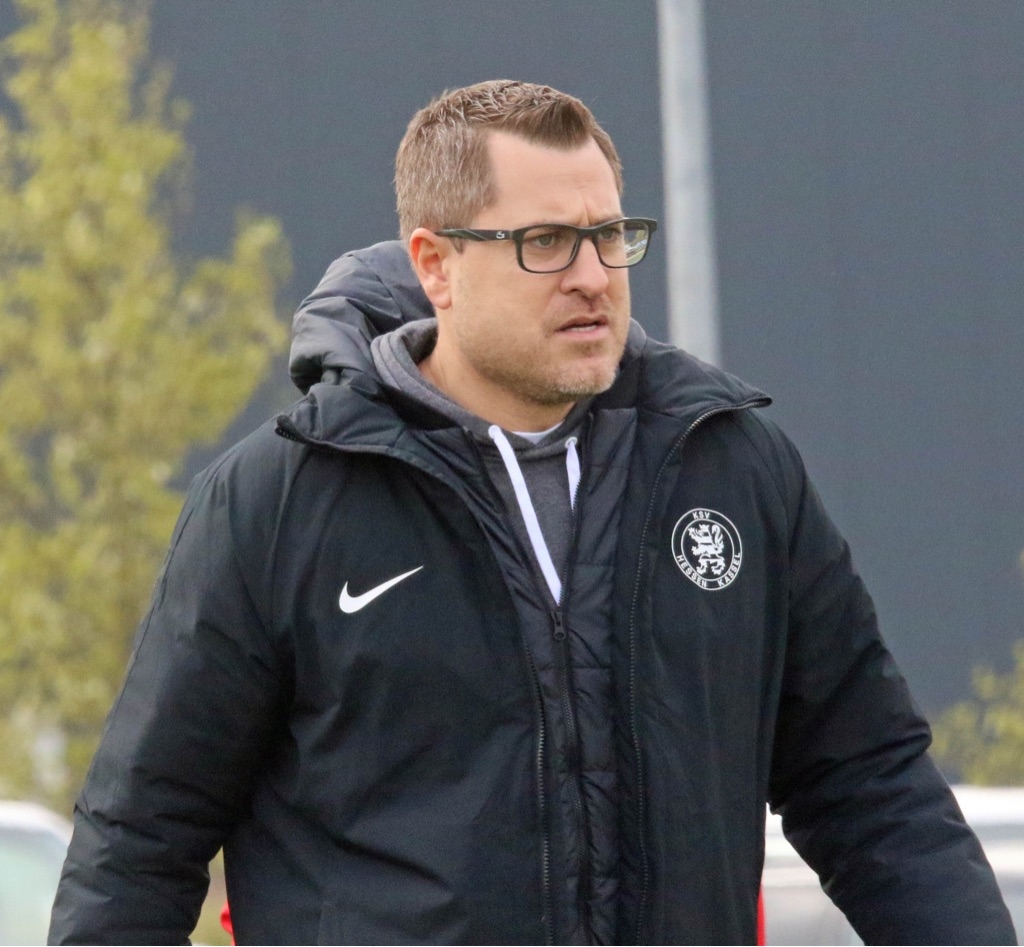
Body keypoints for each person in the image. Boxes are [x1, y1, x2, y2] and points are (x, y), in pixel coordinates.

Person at [49, 80, 1014, 946]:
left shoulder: (733, 470)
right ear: (436, 264)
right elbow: (142, 839)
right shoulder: (281, 500)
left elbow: (871, 786)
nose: (593, 275)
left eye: (609, 235)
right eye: (545, 242)